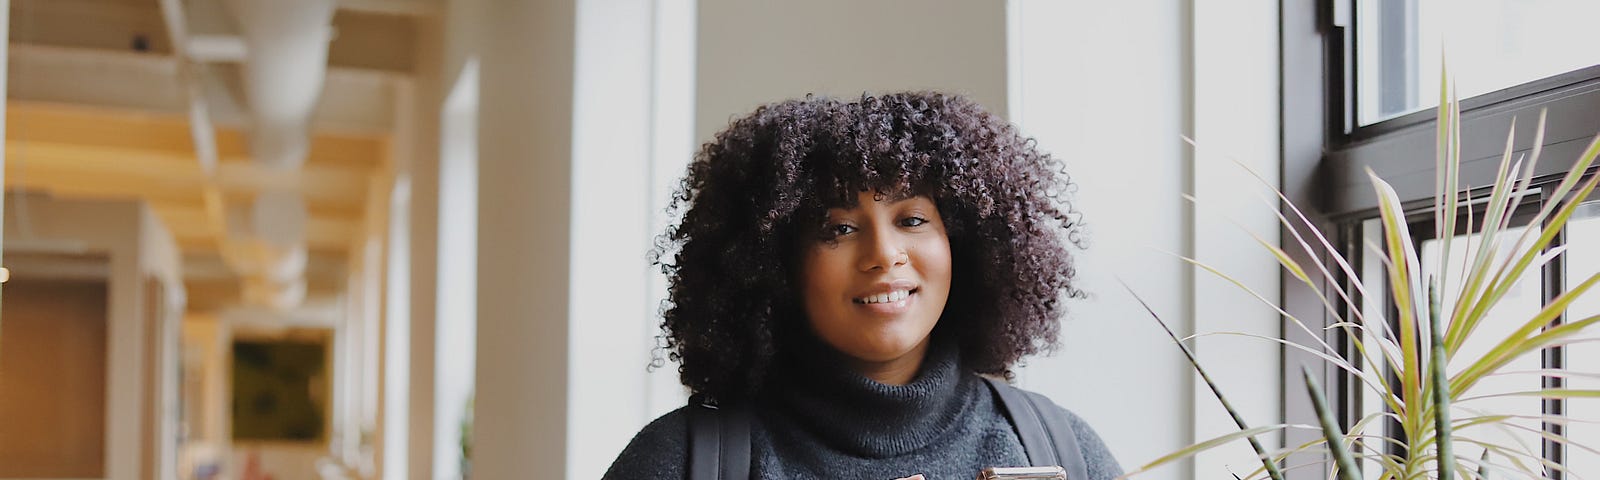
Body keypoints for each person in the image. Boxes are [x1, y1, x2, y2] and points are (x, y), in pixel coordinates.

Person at [603, 92, 1121, 479]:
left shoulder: (1059, 448)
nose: (883, 255)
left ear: (963, 243)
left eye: (913, 220)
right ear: (774, 264)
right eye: (839, 229)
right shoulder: (682, 462)